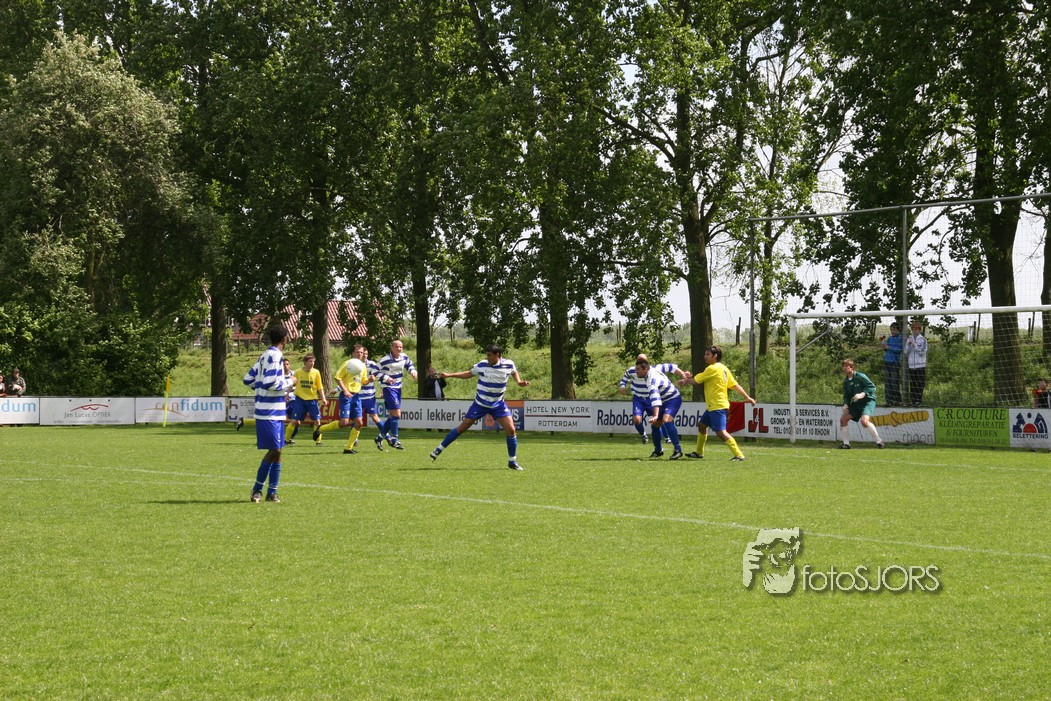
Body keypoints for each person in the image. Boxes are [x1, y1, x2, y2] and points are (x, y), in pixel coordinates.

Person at [429, 344, 530, 470]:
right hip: (480, 404)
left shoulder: (508, 364)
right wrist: (450, 375)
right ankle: (438, 449)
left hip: (498, 404)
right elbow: (468, 374)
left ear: (497, 355)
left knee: (511, 430)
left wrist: (519, 382)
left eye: (489, 355)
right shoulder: (482, 365)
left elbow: (514, 372)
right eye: (486, 355)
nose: (487, 358)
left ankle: (512, 461)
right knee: (462, 427)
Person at [679, 346, 756, 461]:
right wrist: (747, 397)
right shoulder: (723, 368)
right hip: (714, 405)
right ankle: (699, 452)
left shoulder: (712, 368)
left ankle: (739, 455)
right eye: (705, 354)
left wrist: (686, 379)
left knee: (720, 432)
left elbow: (695, 381)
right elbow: (734, 385)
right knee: (702, 425)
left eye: (707, 354)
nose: (705, 356)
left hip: (717, 405)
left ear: (715, 356)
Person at [242, 326, 292, 503]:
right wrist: (290, 381)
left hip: (276, 410)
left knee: (278, 451)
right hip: (268, 411)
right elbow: (271, 383)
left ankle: (272, 493)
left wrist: (260, 390)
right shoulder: (275, 356)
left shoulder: (264, 356)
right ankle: (257, 490)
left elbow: (248, 379)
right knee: (275, 450)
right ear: (284, 339)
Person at [619, 355, 687, 459]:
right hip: (664, 401)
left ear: (645, 369)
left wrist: (655, 415)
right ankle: (658, 450)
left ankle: (678, 450)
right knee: (655, 426)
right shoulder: (655, 368)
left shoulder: (651, 381)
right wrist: (682, 374)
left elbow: (655, 399)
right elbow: (671, 367)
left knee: (667, 420)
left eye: (638, 370)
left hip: (672, 398)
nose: (636, 372)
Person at [314, 344, 370, 454]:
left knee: (359, 423)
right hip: (346, 396)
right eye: (357, 352)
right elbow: (338, 377)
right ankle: (320, 429)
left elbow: (363, 381)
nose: (360, 354)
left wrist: (370, 380)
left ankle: (348, 448)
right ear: (353, 353)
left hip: (356, 396)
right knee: (344, 422)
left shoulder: (362, 366)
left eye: (361, 352)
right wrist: (345, 391)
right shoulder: (347, 364)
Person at [375, 340, 417, 449]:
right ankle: (395, 440)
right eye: (397, 347)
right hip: (388, 388)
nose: (399, 349)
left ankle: (379, 438)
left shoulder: (404, 357)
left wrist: (413, 371)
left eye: (401, 347)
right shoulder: (385, 359)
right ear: (392, 348)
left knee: (391, 415)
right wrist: (386, 378)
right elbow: (374, 371)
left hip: (398, 388)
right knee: (397, 414)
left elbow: (409, 364)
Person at [839, 357, 885, 449]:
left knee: (864, 421)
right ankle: (846, 444)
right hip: (856, 404)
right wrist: (846, 405)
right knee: (843, 420)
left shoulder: (860, 376)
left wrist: (863, 394)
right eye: (843, 366)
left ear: (852, 367)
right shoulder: (845, 382)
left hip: (867, 401)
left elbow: (872, 387)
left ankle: (879, 442)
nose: (844, 368)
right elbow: (846, 396)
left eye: (846, 366)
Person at [288, 353, 327, 446]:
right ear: (305, 362)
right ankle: (286, 439)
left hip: (312, 400)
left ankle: (318, 441)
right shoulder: (298, 372)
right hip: (300, 400)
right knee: (294, 420)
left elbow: (319, 387)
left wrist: (323, 398)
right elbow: (292, 384)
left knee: (317, 421)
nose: (312, 363)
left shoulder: (316, 372)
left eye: (313, 361)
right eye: (310, 361)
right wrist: (287, 394)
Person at [904, 321, 928, 406]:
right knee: (913, 384)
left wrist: (915, 346)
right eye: (913, 329)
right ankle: (913, 401)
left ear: (919, 330)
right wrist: (910, 345)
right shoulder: (909, 339)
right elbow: (905, 352)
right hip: (911, 365)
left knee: (920, 384)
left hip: (920, 365)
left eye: (916, 329)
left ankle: (919, 401)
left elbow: (923, 352)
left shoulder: (923, 340)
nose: (914, 330)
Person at [880, 322, 903, 405]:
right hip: (887, 362)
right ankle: (888, 401)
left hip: (895, 363)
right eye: (891, 330)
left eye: (894, 330)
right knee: (887, 382)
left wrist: (889, 347)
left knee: (894, 381)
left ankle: (897, 400)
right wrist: (883, 345)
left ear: (898, 330)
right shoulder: (890, 338)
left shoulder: (901, 338)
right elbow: (886, 349)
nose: (892, 332)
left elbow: (900, 350)